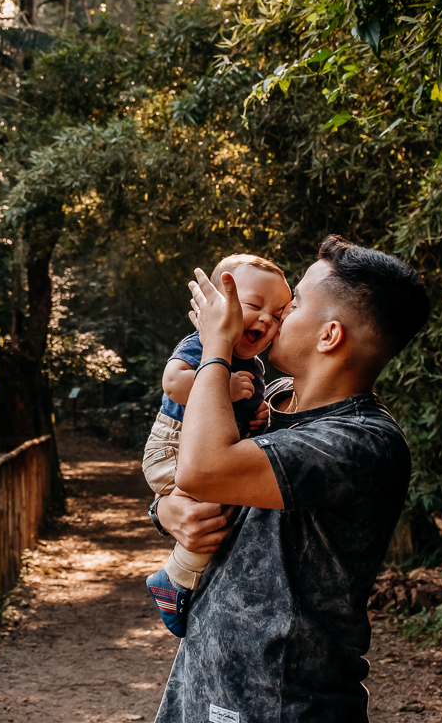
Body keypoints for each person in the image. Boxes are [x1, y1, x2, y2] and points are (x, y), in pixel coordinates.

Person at [152, 235, 430, 723]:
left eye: (293, 305)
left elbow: (204, 469)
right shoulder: (267, 397)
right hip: (201, 681)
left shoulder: (360, 441)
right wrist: (165, 509)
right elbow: (185, 467)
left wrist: (215, 345)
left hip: (283, 701)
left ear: (330, 336)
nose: (277, 318)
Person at [142, 254, 292, 637]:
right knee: (213, 508)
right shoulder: (201, 344)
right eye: (254, 305)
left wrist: (256, 415)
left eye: (278, 315)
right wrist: (221, 380)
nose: (267, 320)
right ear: (215, 307)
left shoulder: (256, 368)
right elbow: (173, 383)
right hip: (173, 447)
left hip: (204, 453)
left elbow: (240, 415)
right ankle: (175, 580)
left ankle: (176, 580)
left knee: (215, 514)